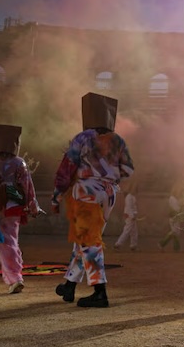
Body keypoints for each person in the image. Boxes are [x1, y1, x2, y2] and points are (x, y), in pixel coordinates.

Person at [52, 93, 134, 308]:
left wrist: (57, 194)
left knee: (89, 242)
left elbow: (66, 167)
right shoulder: (118, 140)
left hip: (87, 190)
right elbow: (128, 170)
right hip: (109, 193)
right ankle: (69, 284)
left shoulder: (83, 137)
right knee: (86, 239)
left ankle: (100, 291)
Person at [0, 124, 41, 294]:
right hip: (11, 206)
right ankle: (15, 279)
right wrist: (33, 206)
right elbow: (27, 187)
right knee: (9, 242)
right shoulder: (19, 162)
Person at [114, 180, 139, 252]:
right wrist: (132, 215)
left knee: (134, 231)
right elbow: (129, 207)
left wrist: (135, 214)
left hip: (131, 215)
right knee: (127, 230)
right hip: (129, 216)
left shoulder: (132, 196)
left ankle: (133, 245)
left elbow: (133, 207)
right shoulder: (129, 197)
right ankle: (118, 244)